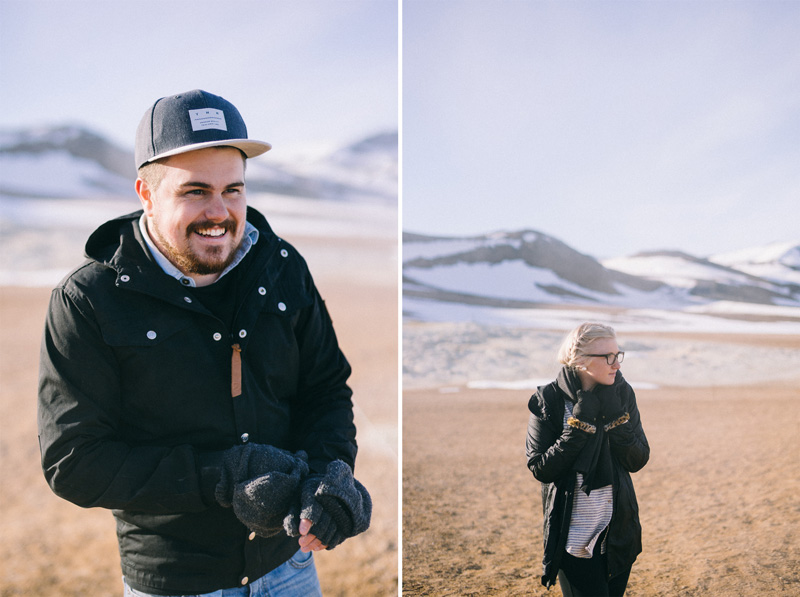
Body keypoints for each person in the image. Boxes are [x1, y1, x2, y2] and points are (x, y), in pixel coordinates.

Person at [38, 89, 371, 597]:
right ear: (145, 194)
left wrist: (329, 474)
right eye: (195, 191)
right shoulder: (88, 300)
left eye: (233, 190)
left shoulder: (283, 267)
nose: (220, 212)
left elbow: (324, 389)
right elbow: (74, 461)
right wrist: (221, 477)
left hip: (290, 570)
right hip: (176, 582)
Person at [525, 322, 649, 596]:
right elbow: (541, 468)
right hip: (572, 540)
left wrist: (617, 420)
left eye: (618, 355)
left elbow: (637, 459)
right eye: (608, 357)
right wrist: (579, 424)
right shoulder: (548, 399)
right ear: (580, 361)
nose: (616, 364)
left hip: (618, 535)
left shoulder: (623, 394)